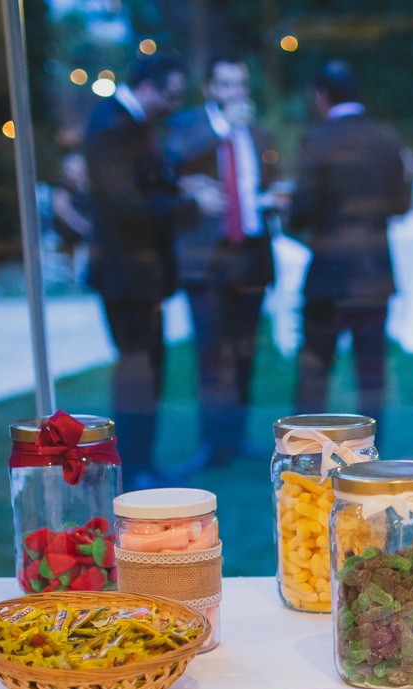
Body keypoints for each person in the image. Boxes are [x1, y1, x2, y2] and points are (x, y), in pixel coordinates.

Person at [164, 57, 280, 470]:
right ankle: (212, 442)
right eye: (227, 85)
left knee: (244, 349)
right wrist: (221, 128)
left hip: (249, 253)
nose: (236, 93)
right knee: (213, 351)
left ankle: (235, 436)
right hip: (208, 258)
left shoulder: (257, 132)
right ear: (211, 88)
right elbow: (169, 160)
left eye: (241, 84)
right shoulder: (191, 126)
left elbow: (261, 183)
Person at [84, 54, 194, 486]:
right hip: (125, 274)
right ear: (147, 87)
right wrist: (187, 204)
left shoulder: (132, 125)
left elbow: (147, 183)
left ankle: (141, 462)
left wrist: (179, 186)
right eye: (169, 96)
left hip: (140, 275)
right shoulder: (112, 126)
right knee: (137, 369)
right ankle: (132, 468)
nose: (173, 105)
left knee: (150, 368)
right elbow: (124, 205)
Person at [287, 61, 413, 433]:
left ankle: (305, 444)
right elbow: (401, 205)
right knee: (371, 373)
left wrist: (292, 217)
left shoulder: (317, 139)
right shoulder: (387, 139)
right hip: (374, 274)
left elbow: (302, 210)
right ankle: (372, 447)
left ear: (322, 97)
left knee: (315, 369)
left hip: (329, 273)